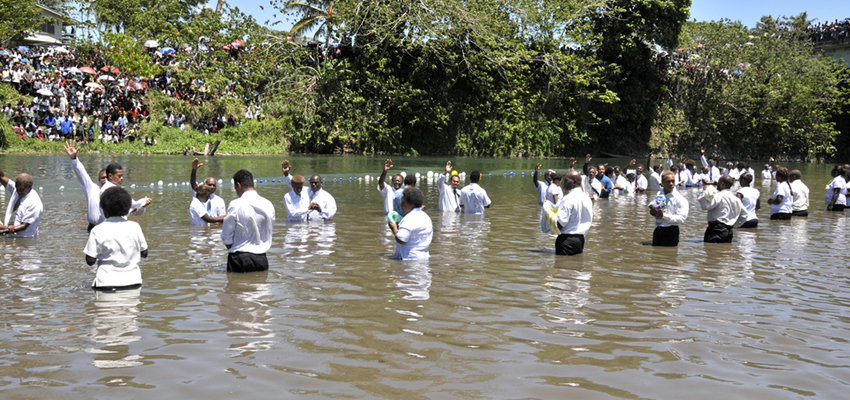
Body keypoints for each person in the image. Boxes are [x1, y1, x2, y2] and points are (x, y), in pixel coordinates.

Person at [84, 186, 148, 291]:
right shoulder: (135, 227)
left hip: (106, 282)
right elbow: (144, 253)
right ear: (127, 208)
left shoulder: (97, 230)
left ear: (104, 209)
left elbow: (90, 260)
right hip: (133, 282)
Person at [221, 169, 275, 272]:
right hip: (261, 259)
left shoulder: (236, 204)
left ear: (238, 185)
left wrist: (236, 248)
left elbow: (226, 236)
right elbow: (269, 230)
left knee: (237, 286)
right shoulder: (268, 204)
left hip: (239, 258)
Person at [65, 139, 107, 231]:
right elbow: (82, 174)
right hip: (92, 227)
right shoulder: (93, 189)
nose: (105, 180)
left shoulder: (115, 192)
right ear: (99, 180)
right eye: (103, 178)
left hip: (107, 229)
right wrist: (74, 159)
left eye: (107, 177)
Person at [553, 171, 593, 255]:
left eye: (566, 180)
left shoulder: (568, 198)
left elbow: (561, 222)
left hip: (566, 239)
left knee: (561, 266)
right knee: (576, 266)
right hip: (580, 240)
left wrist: (551, 218)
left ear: (574, 181)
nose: (564, 182)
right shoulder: (586, 198)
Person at [698, 175, 748, 243]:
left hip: (716, 228)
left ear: (722, 184)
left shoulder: (719, 196)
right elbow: (745, 215)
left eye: (718, 182)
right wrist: (734, 225)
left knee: (712, 250)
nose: (717, 184)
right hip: (729, 230)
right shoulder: (736, 199)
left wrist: (705, 191)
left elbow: (705, 206)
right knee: (725, 251)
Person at [388, 188, 433, 260]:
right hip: (423, 257)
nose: (401, 205)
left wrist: (394, 228)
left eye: (403, 202)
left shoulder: (408, 219)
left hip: (409, 260)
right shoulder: (426, 217)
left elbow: (401, 240)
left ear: (412, 204)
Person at [649, 171, 689, 246]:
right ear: (662, 183)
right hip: (658, 229)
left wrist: (663, 215)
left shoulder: (680, 199)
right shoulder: (660, 193)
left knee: (668, 256)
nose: (671, 184)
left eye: (673, 181)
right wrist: (653, 212)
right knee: (654, 255)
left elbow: (681, 219)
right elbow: (656, 209)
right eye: (668, 182)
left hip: (671, 231)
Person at [0, 169, 42, 237]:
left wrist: (3, 230)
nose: (18, 192)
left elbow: (24, 226)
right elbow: (2, 177)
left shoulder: (34, 202)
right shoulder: (17, 190)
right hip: (9, 236)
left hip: (25, 240)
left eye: (21, 190)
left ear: (29, 186)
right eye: (17, 189)